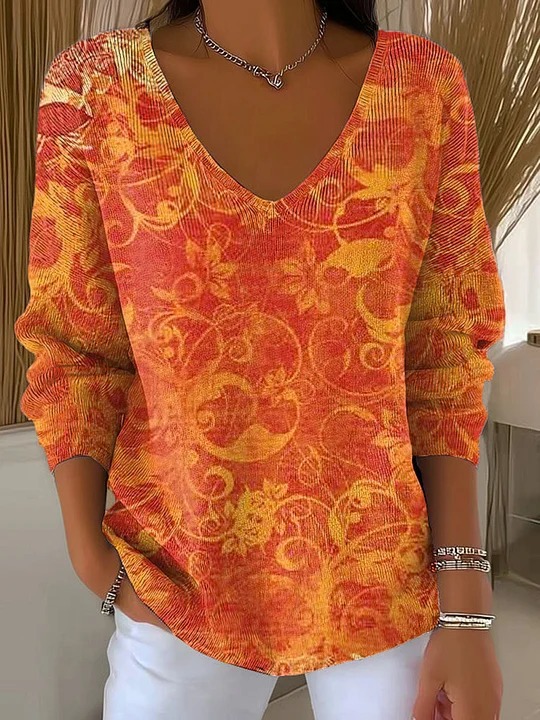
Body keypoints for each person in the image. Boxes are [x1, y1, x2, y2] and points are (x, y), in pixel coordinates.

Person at [14, 1, 506, 718]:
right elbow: (75, 347)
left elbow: (443, 357)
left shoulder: (421, 87)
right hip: (177, 584)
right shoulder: (96, 90)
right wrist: (93, 559)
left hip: (385, 583)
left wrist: (466, 611)